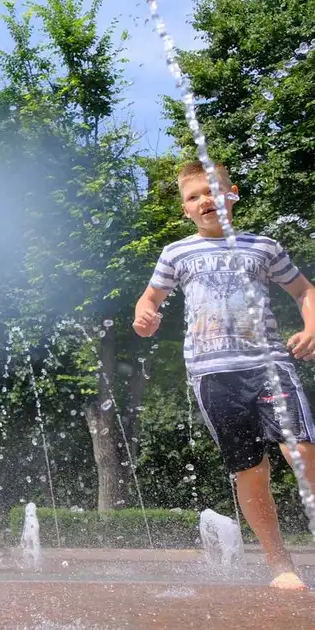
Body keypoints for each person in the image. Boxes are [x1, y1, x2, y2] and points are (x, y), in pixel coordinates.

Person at [133, 160, 315, 591]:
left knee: (302, 451)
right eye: (194, 196)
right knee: (250, 471)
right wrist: (145, 314)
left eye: (212, 191)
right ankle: (279, 565)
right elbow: (150, 297)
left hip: (269, 364)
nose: (205, 201)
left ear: (231, 193)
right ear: (185, 209)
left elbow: (304, 290)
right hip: (212, 375)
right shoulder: (177, 252)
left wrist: (311, 327)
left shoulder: (263, 247)